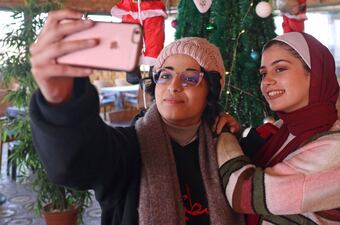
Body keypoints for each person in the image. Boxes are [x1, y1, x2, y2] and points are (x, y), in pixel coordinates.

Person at [29, 9, 243, 225]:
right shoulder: (127, 148)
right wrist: (60, 101)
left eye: (190, 77)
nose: (173, 86)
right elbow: (75, 162)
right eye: (165, 75)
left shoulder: (229, 146)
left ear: (211, 91)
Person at [216, 32, 340, 225]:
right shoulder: (283, 129)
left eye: (279, 69)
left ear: (315, 75)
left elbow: (245, 194)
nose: (266, 81)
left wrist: (225, 138)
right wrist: (235, 133)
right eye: (263, 73)